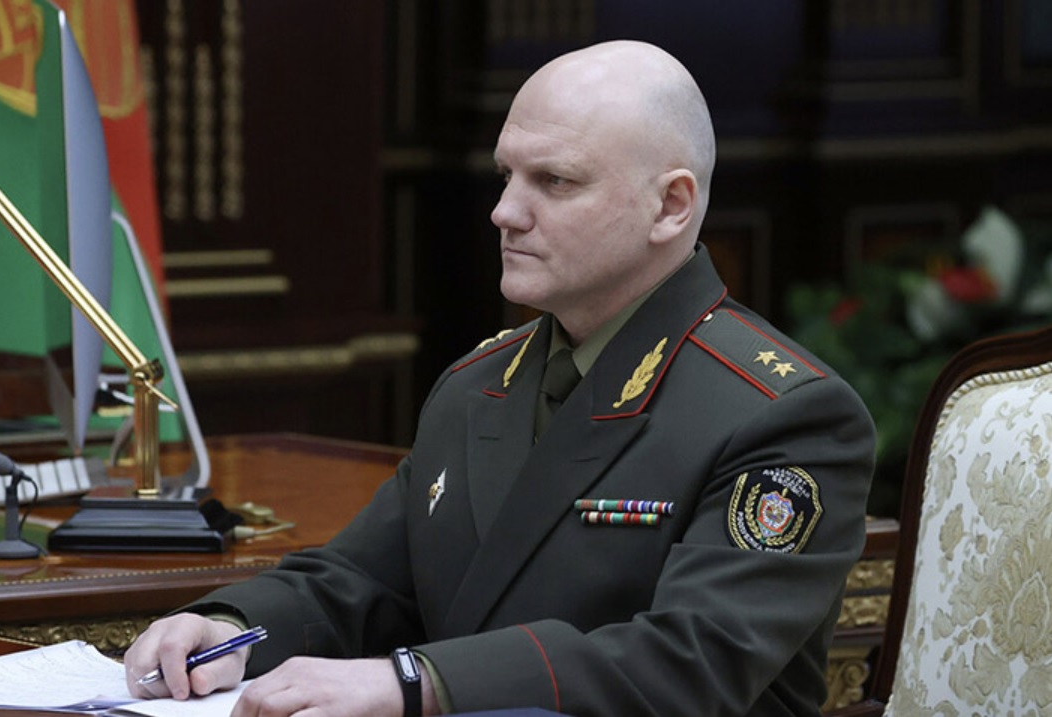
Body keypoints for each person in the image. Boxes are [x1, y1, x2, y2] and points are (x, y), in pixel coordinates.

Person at [124, 39, 875, 717]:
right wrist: (229, 627)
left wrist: (416, 682)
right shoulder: (477, 383)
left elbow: (690, 662)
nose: (505, 212)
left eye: (554, 180)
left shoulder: (779, 414)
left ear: (670, 207)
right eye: (506, 175)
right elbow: (362, 582)